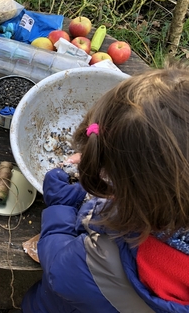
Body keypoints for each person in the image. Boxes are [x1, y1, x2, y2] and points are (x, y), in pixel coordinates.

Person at [22, 62, 189, 312]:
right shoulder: (171, 209)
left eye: (107, 176)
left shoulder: (102, 264)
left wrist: (61, 207)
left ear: (136, 195)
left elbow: (59, 264)